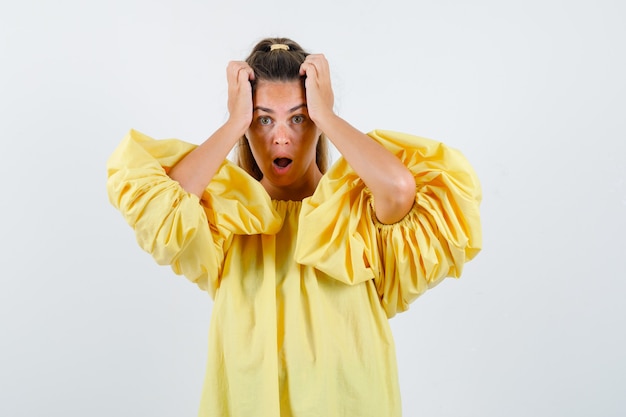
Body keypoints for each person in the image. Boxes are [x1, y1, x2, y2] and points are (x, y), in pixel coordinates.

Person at [106, 37, 482, 417]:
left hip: (350, 402)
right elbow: (164, 209)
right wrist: (235, 121)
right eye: (263, 119)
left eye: (298, 118)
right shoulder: (230, 214)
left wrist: (328, 116)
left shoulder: (351, 209)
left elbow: (401, 189)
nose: (280, 137)